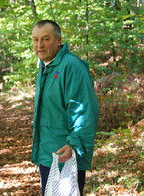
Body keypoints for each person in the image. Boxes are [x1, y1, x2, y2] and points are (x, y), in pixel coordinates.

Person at [31, 20, 100, 196]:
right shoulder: (45, 67)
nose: (39, 45)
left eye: (45, 39)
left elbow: (85, 111)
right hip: (47, 154)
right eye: (35, 39)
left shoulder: (71, 67)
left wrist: (73, 145)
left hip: (65, 155)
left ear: (58, 40)